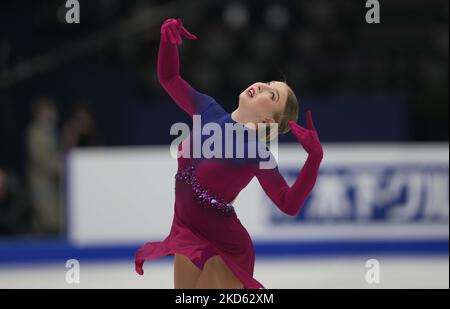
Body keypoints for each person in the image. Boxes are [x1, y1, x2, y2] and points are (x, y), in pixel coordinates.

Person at [135, 18, 324, 289]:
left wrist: (314, 160)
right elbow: (169, 78)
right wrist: (167, 42)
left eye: (272, 96)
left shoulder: (256, 152)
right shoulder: (207, 109)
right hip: (187, 231)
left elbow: (288, 203)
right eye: (268, 83)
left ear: (269, 122)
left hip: (225, 246)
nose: (261, 86)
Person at [26, 97, 62, 235]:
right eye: (48, 111)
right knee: (45, 220)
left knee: (53, 220)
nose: (52, 113)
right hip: (41, 183)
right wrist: (60, 167)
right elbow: (41, 158)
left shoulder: (49, 132)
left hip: (51, 183)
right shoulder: (35, 132)